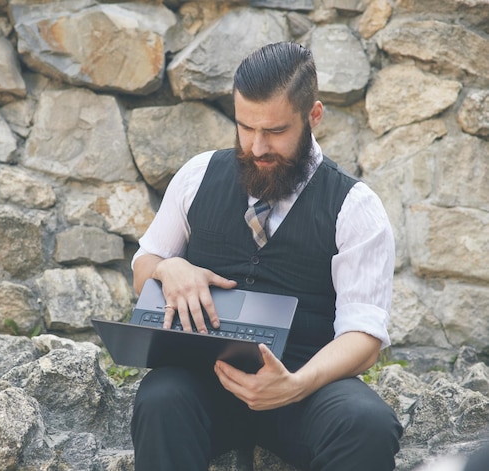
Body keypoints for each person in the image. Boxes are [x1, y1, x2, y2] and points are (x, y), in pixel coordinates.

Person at [130, 41, 403, 471]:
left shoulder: (356, 207)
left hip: (306, 387)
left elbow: (364, 338)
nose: (256, 147)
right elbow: (144, 267)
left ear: (313, 116)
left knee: (368, 423)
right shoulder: (196, 176)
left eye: (275, 131)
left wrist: (293, 385)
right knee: (159, 399)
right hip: (203, 383)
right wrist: (168, 267)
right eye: (245, 127)